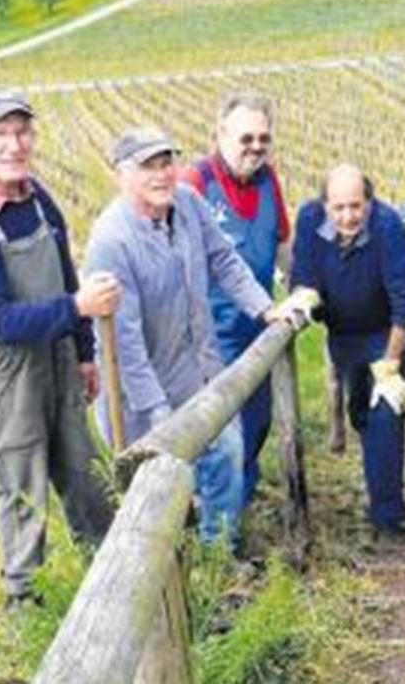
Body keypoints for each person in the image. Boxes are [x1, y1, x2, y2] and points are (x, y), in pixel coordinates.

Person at [0, 89, 121, 607]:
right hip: (2, 372)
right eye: (0, 133)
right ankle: (26, 603)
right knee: (22, 492)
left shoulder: (38, 199)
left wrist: (82, 352)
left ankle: (114, 582)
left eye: (22, 131)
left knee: (86, 475)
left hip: (57, 356)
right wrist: (77, 311)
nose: (14, 144)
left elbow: (65, 277)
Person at [83, 127, 297, 548]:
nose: (163, 175)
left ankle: (220, 562)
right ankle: (184, 578)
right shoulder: (112, 241)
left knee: (226, 456)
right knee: (159, 499)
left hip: (199, 373)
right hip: (141, 398)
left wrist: (266, 307)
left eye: (167, 164)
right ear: (120, 176)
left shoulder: (189, 203)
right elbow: (125, 349)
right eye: (148, 167)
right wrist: (162, 418)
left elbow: (224, 260)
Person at [290, 164, 405, 533]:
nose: (347, 216)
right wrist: (302, 302)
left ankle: (387, 514)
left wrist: (392, 362)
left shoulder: (388, 226)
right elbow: (304, 278)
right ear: (324, 205)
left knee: (385, 412)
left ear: (369, 201)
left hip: (387, 333)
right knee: (361, 415)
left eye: (355, 206)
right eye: (338, 208)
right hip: (344, 336)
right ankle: (383, 482)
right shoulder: (309, 221)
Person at [181, 92, 291, 505]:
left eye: (264, 138)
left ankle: (239, 512)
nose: (256, 147)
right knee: (220, 440)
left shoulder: (268, 180)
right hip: (211, 340)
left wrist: (301, 290)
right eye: (247, 138)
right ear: (221, 133)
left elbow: (281, 241)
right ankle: (217, 541)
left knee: (257, 425)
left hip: (258, 329)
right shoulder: (196, 184)